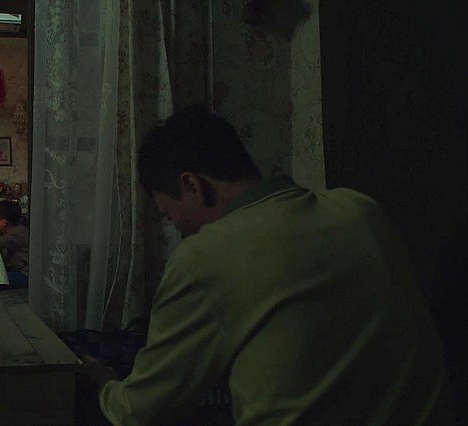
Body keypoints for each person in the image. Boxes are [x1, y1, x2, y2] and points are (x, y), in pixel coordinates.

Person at [80, 105, 452, 425]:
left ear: (193, 185)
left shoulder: (204, 256)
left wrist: (105, 384)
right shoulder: (359, 209)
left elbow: (140, 412)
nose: (178, 227)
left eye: (169, 215)